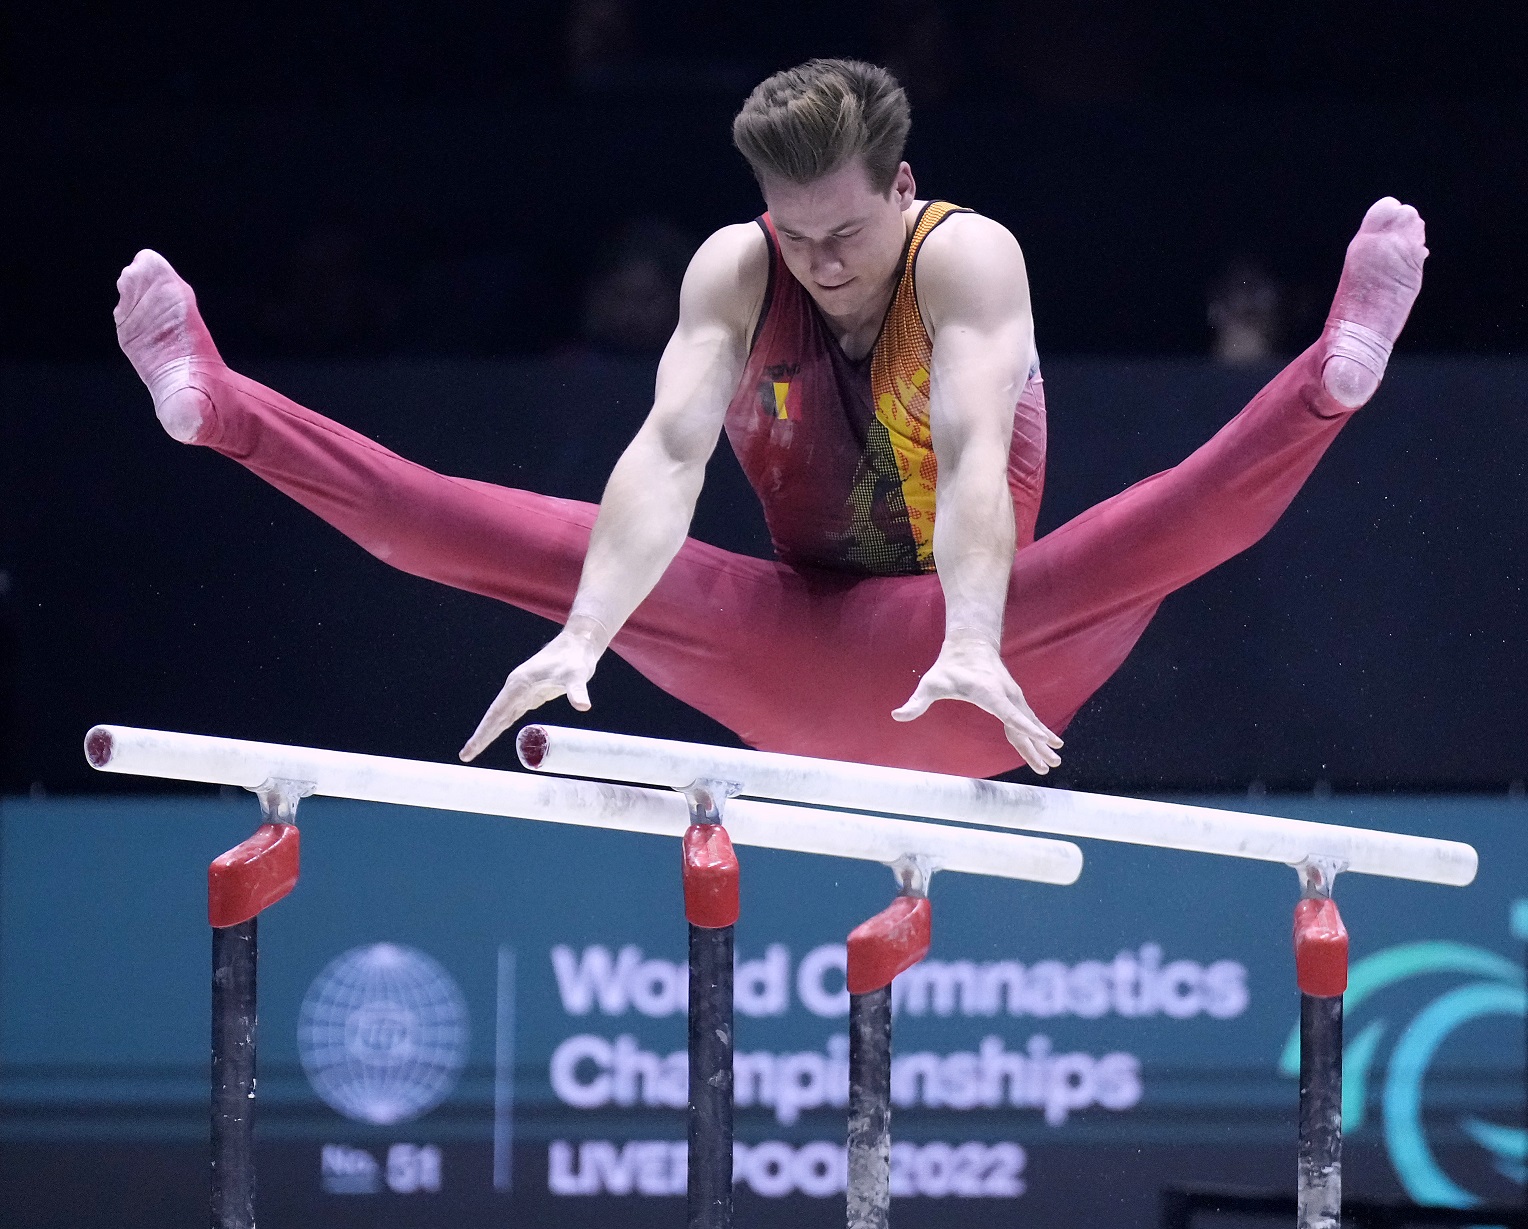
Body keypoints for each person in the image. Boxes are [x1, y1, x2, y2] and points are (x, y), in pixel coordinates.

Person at [113, 59, 1426, 780]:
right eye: (795, 234)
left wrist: (973, 641)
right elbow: (669, 452)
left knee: (1164, 524)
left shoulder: (970, 262)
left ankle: (1329, 375)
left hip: (981, 664)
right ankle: (222, 411)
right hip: (796, 648)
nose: (823, 262)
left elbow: (975, 455)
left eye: (846, 231)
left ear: (904, 187)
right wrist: (586, 628)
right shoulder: (734, 274)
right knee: (470, 525)